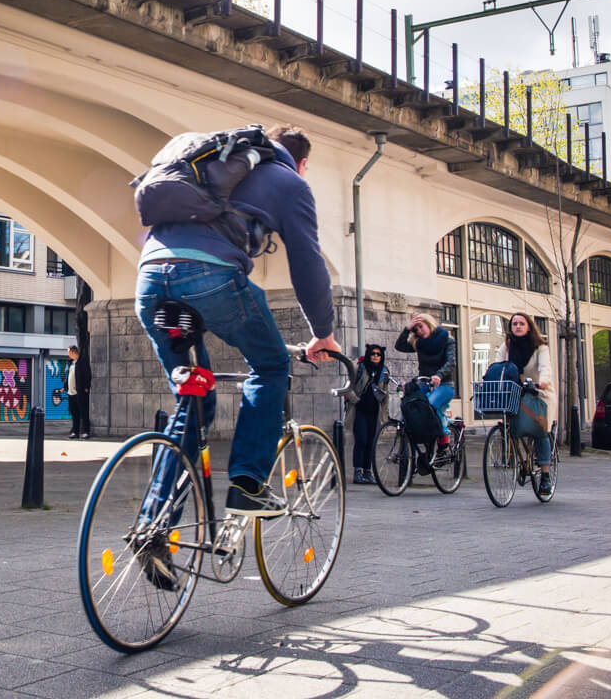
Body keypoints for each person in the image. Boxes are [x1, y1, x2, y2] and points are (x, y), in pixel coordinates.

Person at [138, 124, 341, 519]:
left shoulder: (212, 160)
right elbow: (308, 264)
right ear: (302, 163)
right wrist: (323, 333)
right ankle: (248, 484)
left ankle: (155, 524)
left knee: (194, 400)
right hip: (210, 277)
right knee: (270, 365)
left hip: (150, 280)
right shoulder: (290, 182)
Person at [506, 312, 555, 495]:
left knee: (539, 429)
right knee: (513, 425)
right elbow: (498, 365)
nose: (517, 326)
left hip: (538, 392)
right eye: (514, 324)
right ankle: (521, 459)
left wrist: (542, 381)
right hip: (517, 392)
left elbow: (545, 368)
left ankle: (545, 476)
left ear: (529, 327)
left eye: (521, 323)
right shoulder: (507, 346)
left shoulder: (540, 347)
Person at [394, 313, 456, 447]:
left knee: (429, 407)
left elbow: (451, 362)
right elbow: (399, 346)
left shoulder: (446, 339)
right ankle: (417, 438)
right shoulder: (419, 343)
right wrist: (407, 328)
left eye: (421, 327)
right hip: (425, 382)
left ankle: (443, 438)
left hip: (444, 384)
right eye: (416, 330)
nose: (419, 331)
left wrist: (439, 375)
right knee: (410, 402)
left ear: (429, 324)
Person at [350, 344, 389, 485]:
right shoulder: (359, 368)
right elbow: (349, 387)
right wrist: (355, 400)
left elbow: (386, 395)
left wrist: (385, 416)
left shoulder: (384, 372)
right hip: (360, 410)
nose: (375, 356)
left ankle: (368, 471)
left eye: (378, 354)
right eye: (373, 353)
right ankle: (358, 471)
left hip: (374, 412)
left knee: (371, 442)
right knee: (361, 440)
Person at [66, 345, 92, 440]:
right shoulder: (71, 363)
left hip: (80, 391)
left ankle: (85, 432)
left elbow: (87, 374)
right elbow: (68, 376)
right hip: (70, 392)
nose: (68, 355)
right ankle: (75, 432)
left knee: (83, 412)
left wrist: (86, 387)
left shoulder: (81, 362)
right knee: (74, 413)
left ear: (73, 352)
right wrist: (64, 387)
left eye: (69, 352)